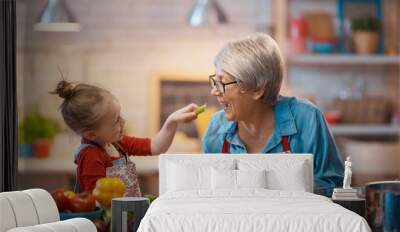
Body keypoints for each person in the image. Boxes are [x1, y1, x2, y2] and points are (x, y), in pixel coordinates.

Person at [202, 33, 344, 196]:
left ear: (257, 89)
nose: (214, 91)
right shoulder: (216, 128)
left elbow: (335, 187)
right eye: (215, 81)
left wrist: (277, 187)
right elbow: (208, 194)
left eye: (222, 82)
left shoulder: (307, 118)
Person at [53, 80, 199, 195]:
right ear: (91, 134)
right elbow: (97, 201)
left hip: (125, 218)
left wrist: (172, 121)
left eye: (120, 115)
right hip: (108, 226)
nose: (123, 122)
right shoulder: (91, 156)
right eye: (116, 121)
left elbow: (155, 146)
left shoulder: (116, 143)